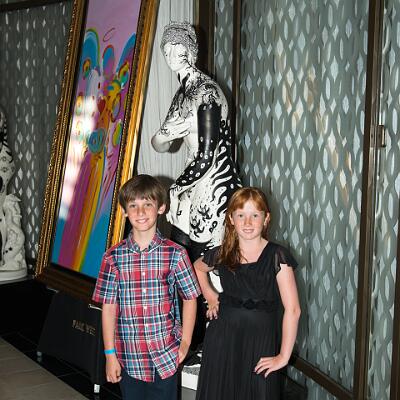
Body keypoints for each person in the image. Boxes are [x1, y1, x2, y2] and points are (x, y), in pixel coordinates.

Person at [92, 174, 201, 400]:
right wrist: (110, 354)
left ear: (161, 207)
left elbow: (190, 298)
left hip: (166, 356)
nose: (140, 212)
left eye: (147, 204)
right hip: (128, 357)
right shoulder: (113, 257)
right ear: (125, 211)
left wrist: (185, 343)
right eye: (133, 205)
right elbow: (109, 308)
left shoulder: (176, 254)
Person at [194, 187, 301, 400]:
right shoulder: (223, 252)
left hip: (261, 343)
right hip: (223, 339)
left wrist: (283, 356)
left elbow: (293, 310)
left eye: (255, 215)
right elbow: (197, 267)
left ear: (266, 218)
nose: (248, 222)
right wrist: (211, 295)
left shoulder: (277, 256)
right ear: (231, 219)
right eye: (241, 215)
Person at [151, 21, 242, 261]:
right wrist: (163, 135)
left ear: (190, 50)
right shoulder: (182, 94)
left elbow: (207, 156)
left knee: (204, 262)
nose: (171, 53)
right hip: (192, 178)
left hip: (213, 182)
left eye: (178, 46)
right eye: (167, 47)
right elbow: (160, 144)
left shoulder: (207, 93)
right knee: (178, 252)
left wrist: (175, 188)